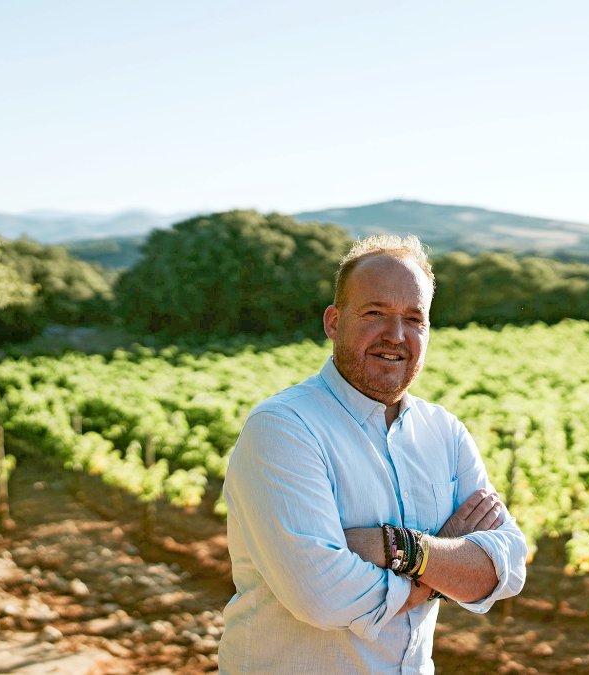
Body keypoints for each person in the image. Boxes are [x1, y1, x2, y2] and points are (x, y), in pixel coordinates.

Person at [219, 235, 527, 674]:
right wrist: (444, 562)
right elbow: (324, 598)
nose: (395, 335)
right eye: (375, 313)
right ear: (333, 322)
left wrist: (397, 548)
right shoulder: (284, 427)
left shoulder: (445, 432)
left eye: (413, 319)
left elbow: (507, 568)